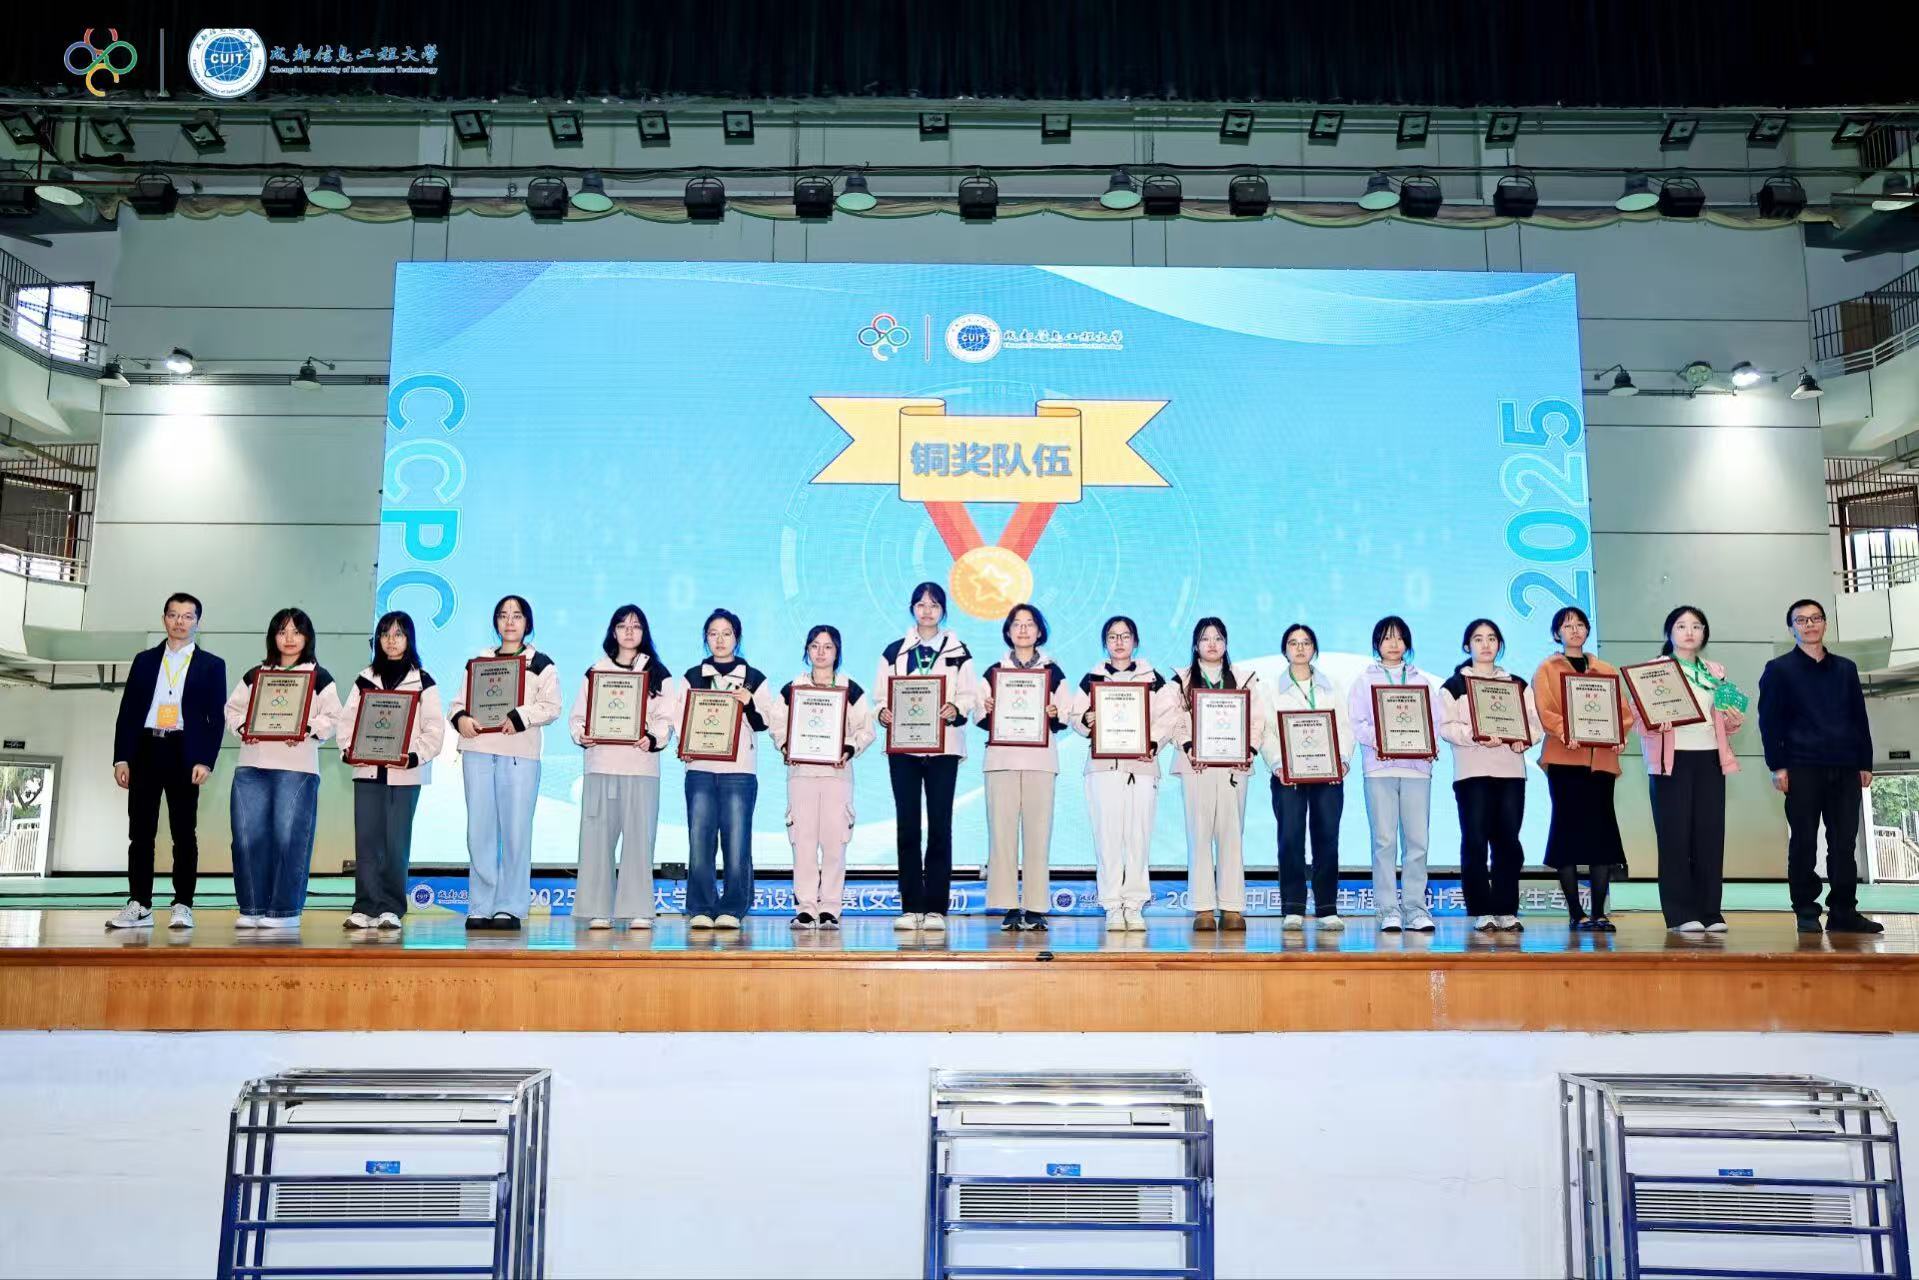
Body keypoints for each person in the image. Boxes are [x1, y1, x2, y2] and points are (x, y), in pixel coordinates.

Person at [1758, 598, 1884, 935]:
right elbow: (1769, 722)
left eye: (1815, 618)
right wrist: (1777, 766)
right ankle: (1806, 910)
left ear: (1825, 624)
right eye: (1801, 620)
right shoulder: (1779, 669)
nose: (1809, 624)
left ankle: (1843, 911)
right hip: (1801, 766)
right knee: (1804, 842)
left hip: (1845, 766)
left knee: (1843, 843)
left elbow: (1859, 717)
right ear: (1791, 628)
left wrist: (1865, 761)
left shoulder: (1846, 668)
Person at [107, 592, 228, 930]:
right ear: (164, 619)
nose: (180, 622)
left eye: (188, 616)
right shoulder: (144, 660)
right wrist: (121, 758)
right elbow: (128, 711)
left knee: (184, 833)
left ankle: (183, 904)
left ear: (197, 623)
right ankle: (139, 904)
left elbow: (215, 719)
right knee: (140, 832)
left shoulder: (212, 665)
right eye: (173, 615)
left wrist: (206, 760)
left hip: (184, 752)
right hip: (146, 749)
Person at [222, 608, 342, 931]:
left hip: (297, 768)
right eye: (282, 631)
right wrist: (244, 727)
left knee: (289, 837)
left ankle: (285, 911)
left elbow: (334, 717)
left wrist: (306, 728)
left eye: (296, 632)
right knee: (247, 838)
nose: (289, 639)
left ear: (308, 637)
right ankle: (252, 906)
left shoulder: (319, 677)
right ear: (272, 636)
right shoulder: (255, 674)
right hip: (252, 765)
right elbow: (232, 710)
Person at [446, 594, 561, 931]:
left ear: (528, 623)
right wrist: (461, 718)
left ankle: (510, 906)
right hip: (478, 749)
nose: (510, 621)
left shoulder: (541, 663)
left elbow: (552, 706)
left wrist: (521, 716)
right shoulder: (478, 661)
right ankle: (481, 905)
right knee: (479, 830)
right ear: (496, 622)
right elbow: (457, 703)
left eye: (517, 615)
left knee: (515, 832)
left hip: (519, 754)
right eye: (503, 615)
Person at [875, 582, 977, 931]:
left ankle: (935, 908)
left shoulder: (959, 651)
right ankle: (910, 906)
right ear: (912, 609)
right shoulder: (894, 651)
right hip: (903, 749)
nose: (927, 611)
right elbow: (880, 697)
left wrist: (956, 707)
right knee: (907, 826)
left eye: (934, 605)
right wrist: (883, 712)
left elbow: (969, 695)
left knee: (939, 826)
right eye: (921, 604)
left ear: (943, 610)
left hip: (943, 748)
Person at [567, 605, 674, 931]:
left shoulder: (658, 673)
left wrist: (652, 738)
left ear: (644, 632)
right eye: (622, 625)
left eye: (636, 626)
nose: (629, 631)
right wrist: (582, 734)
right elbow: (578, 717)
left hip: (640, 767)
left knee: (639, 840)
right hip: (601, 763)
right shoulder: (595, 672)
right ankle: (598, 908)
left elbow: (667, 719)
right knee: (596, 839)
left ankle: (637, 909)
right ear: (613, 632)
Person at [1635, 606, 1742, 934]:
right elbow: (1639, 718)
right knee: (1674, 836)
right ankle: (1680, 913)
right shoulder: (1654, 670)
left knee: (1710, 835)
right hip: (1671, 761)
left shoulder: (1716, 671)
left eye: (1696, 626)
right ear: (1669, 633)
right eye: (1681, 626)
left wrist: (1733, 716)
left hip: (1710, 758)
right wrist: (1655, 721)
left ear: (1704, 633)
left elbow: (1730, 719)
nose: (1689, 632)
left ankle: (1710, 911)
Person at [338, 611, 446, 930]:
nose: (391, 641)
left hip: (405, 773)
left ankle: (391, 907)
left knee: (396, 843)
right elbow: (347, 722)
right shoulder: (364, 679)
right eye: (385, 634)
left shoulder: (423, 681)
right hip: (368, 770)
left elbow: (434, 729)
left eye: (398, 634)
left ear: (409, 639)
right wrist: (349, 750)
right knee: (367, 841)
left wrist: (414, 756)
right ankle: (365, 906)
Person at [675, 608, 781, 930]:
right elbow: (680, 719)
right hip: (700, 768)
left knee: (737, 842)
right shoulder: (692, 676)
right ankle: (701, 907)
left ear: (737, 637)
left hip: (739, 770)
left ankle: (733, 908)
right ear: (705, 639)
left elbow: (765, 723)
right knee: (700, 841)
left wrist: (749, 702)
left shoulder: (754, 678)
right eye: (713, 634)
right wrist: (685, 744)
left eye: (726, 633)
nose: (720, 640)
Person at [1074, 615, 1181, 931]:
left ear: (1135, 641)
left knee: (1138, 837)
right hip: (1102, 768)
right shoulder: (1092, 678)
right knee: (1107, 837)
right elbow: (1074, 716)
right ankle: (1111, 905)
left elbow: (1169, 716)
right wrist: (1087, 719)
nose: (1119, 642)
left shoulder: (1154, 679)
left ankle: (1134, 905)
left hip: (1142, 767)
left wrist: (1152, 742)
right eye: (1112, 636)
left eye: (1125, 636)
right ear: (1105, 642)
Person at [1531, 606, 1631, 931]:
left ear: (1587, 630)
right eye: (1567, 625)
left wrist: (1618, 735)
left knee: (1603, 835)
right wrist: (1567, 731)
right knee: (1567, 834)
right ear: (1556, 633)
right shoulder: (1547, 668)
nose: (1574, 630)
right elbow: (1546, 710)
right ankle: (1576, 913)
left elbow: (1623, 712)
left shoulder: (1605, 669)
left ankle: (1599, 912)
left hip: (1601, 762)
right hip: (1565, 760)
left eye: (1580, 624)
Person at [1439, 618, 1541, 932]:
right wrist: (1475, 734)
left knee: (1508, 841)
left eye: (1492, 638)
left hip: (1510, 771)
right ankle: (1481, 910)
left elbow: (1533, 723)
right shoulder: (1454, 686)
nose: (1486, 644)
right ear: (1467, 645)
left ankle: (1506, 909)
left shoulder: (1517, 684)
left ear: (1499, 645)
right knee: (1475, 841)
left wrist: (1524, 739)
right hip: (1472, 772)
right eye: (1478, 639)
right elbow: (1446, 727)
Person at [977, 603, 1073, 932]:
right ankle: (1007, 905)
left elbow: (1066, 714)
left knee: (1038, 834)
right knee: (1001, 835)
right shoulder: (994, 672)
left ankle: (1035, 907)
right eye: (1016, 624)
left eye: (1029, 623)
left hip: (1040, 761)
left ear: (1039, 631)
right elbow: (978, 714)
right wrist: (988, 707)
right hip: (1001, 761)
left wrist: (1053, 712)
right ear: (1007, 631)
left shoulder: (1053, 672)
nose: (1022, 629)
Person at [1347, 616, 1444, 933]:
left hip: (1417, 771)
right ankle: (1387, 909)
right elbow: (1357, 723)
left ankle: (1415, 908)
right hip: (1379, 768)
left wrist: (1426, 744)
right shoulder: (1364, 681)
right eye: (1387, 637)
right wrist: (1383, 740)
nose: (1393, 643)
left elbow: (1435, 723)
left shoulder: (1422, 682)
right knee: (1384, 841)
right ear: (1377, 643)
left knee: (1417, 842)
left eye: (1399, 638)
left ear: (1407, 644)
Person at [776, 625, 875, 930]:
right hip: (802, 774)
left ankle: (830, 907)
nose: (820, 652)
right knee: (803, 843)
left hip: (837, 775)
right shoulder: (793, 689)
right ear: (807, 650)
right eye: (815, 646)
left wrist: (849, 747)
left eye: (828, 646)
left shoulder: (851, 689)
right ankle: (806, 907)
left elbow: (866, 730)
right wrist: (786, 745)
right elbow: (777, 724)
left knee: (834, 844)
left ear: (837, 652)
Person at [1173, 617, 1265, 932]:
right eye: (1205, 638)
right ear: (1195, 644)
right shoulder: (1181, 680)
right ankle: (1202, 907)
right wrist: (1190, 748)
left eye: (1218, 638)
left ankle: (1231, 906)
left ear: (1226, 643)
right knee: (1199, 835)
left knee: (1231, 835)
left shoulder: (1243, 678)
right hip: (1196, 766)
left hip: (1233, 767)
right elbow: (1176, 720)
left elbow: (1257, 719)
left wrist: (1249, 750)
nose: (1212, 644)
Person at [1260, 623, 1351, 928]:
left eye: (1306, 642)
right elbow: (1266, 732)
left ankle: (1327, 908)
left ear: (1314, 649)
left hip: (1328, 774)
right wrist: (1278, 764)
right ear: (1285, 650)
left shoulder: (1332, 685)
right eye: (1293, 642)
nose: (1300, 648)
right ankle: (1293, 907)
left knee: (1327, 838)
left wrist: (1342, 760)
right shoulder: (1270, 688)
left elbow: (1345, 727)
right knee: (1290, 838)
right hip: (1288, 775)